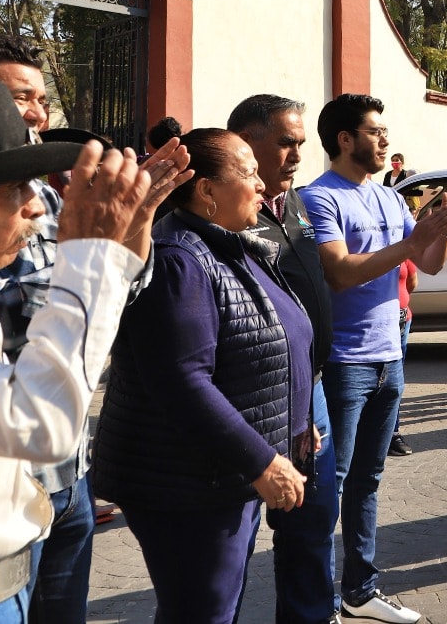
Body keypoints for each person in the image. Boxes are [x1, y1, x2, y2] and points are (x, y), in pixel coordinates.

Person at [0, 33, 190, 624]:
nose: (37, 113)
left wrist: (135, 223)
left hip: (67, 478)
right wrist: (91, 257)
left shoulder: (47, 193)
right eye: (20, 96)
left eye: (42, 98)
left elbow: (123, 295)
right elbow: (23, 326)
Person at [91, 128, 312, 623]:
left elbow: (267, 348)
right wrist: (263, 462)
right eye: (249, 172)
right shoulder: (180, 262)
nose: (262, 184)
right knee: (201, 612)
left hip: (226, 474)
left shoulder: (234, 247)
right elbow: (181, 381)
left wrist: (293, 419)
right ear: (207, 190)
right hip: (189, 483)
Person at [300, 94, 447, 624]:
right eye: (375, 131)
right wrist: (415, 239)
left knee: (368, 481)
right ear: (345, 139)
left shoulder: (391, 198)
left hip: (390, 358)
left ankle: (361, 590)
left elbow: (426, 261)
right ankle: (322, 601)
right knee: (334, 484)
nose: (385, 139)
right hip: (344, 364)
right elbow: (340, 272)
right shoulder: (319, 198)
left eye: (385, 130)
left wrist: (442, 232)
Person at [228, 93, 344, 624]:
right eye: (286, 142)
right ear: (248, 143)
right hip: (250, 399)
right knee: (229, 543)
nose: (298, 153)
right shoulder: (225, 216)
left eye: (300, 143)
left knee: (314, 521)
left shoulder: (293, 203)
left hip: (309, 390)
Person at [391, 257, 419, 454]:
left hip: (403, 320)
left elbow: (412, 282)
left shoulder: (403, 250)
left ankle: (393, 432)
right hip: (382, 323)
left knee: (396, 381)